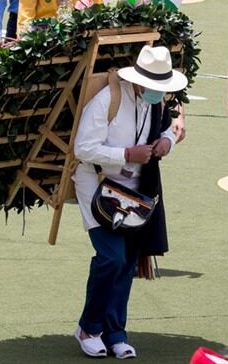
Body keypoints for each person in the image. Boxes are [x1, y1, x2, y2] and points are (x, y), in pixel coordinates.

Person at [72, 45, 187, 359]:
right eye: (154, 86)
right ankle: (88, 328)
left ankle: (116, 332)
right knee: (111, 257)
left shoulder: (155, 101)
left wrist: (168, 141)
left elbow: (169, 129)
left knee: (127, 261)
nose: (158, 92)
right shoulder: (107, 99)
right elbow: (82, 149)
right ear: (138, 79)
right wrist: (125, 154)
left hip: (136, 189)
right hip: (96, 184)